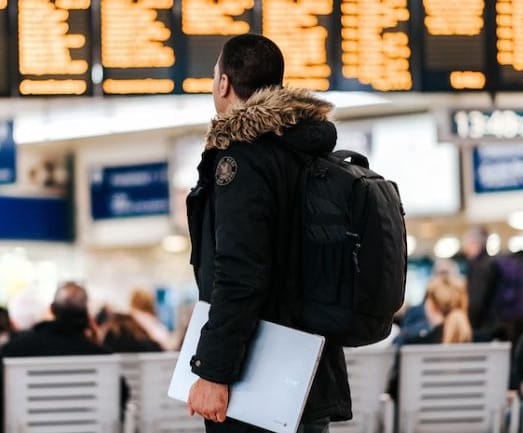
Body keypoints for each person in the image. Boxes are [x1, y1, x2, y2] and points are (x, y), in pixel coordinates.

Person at [186, 34, 350, 432]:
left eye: (214, 77)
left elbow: (240, 271)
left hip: (257, 375)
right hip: (308, 367)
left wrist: (214, 371)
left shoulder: (242, 159)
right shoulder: (306, 153)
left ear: (224, 84)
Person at [0, 282, 116, 432]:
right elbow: (119, 407)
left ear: (52, 309)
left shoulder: (15, 349)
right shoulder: (102, 357)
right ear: (87, 314)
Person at [387, 274, 472, 400]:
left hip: (417, 416)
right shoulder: (472, 343)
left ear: (431, 304)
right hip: (464, 416)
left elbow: (392, 390)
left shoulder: (410, 342)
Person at [463, 227, 497, 332]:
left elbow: (476, 302)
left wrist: (470, 327)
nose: (465, 249)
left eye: (466, 244)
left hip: (483, 328)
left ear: (474, 244)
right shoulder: (490, 263)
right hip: (492, 325)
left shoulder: (479, 267)